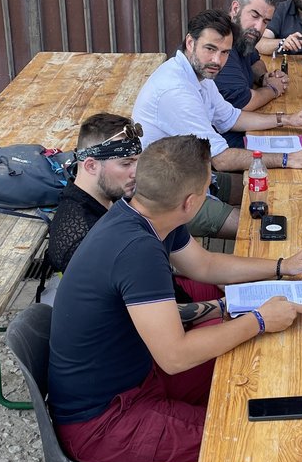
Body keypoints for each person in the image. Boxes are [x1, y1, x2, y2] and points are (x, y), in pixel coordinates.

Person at [48, 135, 302, 462]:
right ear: (191, 203)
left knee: (246, 368)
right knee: (247, 432)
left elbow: (206, 266)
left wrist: (282, 266)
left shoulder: (144, 212)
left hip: (133, 379)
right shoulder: (137, 250)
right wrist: (260, 320)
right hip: (104, 420)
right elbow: (175, 357)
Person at [132, 9, 302, 239]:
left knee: (276, 194)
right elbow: (221, 160)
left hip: (196, 177)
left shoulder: (199, 74)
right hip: (168, 199)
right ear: (190, 42)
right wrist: (288, 158)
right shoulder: (176, 90)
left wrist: (285, 119)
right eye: (210, 49)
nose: (217, 60)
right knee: (264, 231)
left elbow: (232, 117)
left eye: (224, 53)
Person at [41, 113, 222, 315]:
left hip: (170, 295)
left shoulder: (123, 195)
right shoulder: (80, 234)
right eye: (126, 163)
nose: (137, 172)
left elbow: (203, 264)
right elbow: (139, 318)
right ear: (91, 165)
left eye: (138, 161)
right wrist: (227, 306)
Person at [213, 0, 289, 115]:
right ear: (236, 9)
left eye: (266, 21)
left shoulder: (240, 35)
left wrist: (263, 77)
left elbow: (255, 60)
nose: (259, 27)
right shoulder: (220, 42)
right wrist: (273, 88)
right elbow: (246, 103)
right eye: (254, 16)